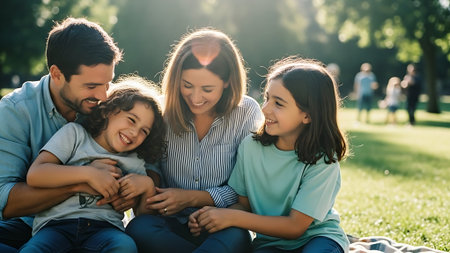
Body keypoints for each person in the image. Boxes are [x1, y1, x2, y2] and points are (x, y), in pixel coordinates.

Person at [188, 57, 350, 253]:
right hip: (270, 244)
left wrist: (232, 217)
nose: (265, 108)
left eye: (278, 103)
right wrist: (212, 216)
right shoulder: (250, 147)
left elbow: (295, 227)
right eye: (267, 98)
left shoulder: (323, 160)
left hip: (318, 239)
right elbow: (244, 206)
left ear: (307, 115)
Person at [125, 28, 264, 253]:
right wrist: (155, 192)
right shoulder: (161, 111)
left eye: (207, 89)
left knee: (236, 236)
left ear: (228, 81)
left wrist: (191, 198)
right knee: (139, 228)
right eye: (187, 85)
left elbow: (246, 188)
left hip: (222, 223)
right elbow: (151, 168)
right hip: (168, 223)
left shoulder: (247, 112)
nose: (196, 98)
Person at [0, 17, 123, 252]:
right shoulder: (15, 111)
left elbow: (146, 164)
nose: (104, 96)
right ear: (56, 74)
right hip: (24, 223)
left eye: (108, 83)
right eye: (91, 86)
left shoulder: (112, 107)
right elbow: (5, 201)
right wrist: (81, 181)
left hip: (94, 225)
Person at [19, 77, 166, 252]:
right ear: (108, 111)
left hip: (105, 230)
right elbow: (36, 174)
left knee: (125, 246)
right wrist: (89, 174)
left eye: (144, 131)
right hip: (55, 226)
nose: (134, 132)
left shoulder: (135, 160)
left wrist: (147, 186)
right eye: (131, 120)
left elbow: (143, 217)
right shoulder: (74, 134)